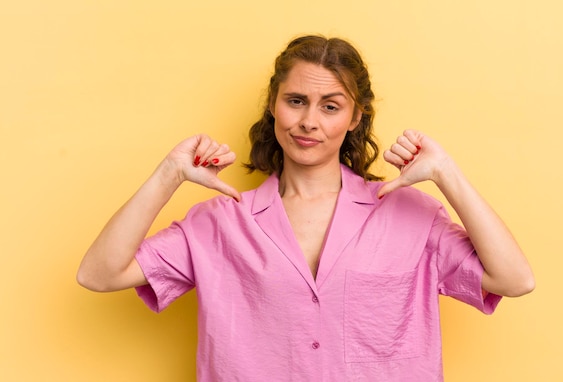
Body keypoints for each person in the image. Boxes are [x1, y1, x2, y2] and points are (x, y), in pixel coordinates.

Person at [77, 35, 534, 381]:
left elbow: (514, 280)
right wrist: (169, 174)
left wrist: (446, 174)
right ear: (274, 106)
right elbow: (99, 274)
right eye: (296, 101)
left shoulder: (410, 216)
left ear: (355, 118)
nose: (308, 121)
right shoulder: (219, 222)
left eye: (330, 106)